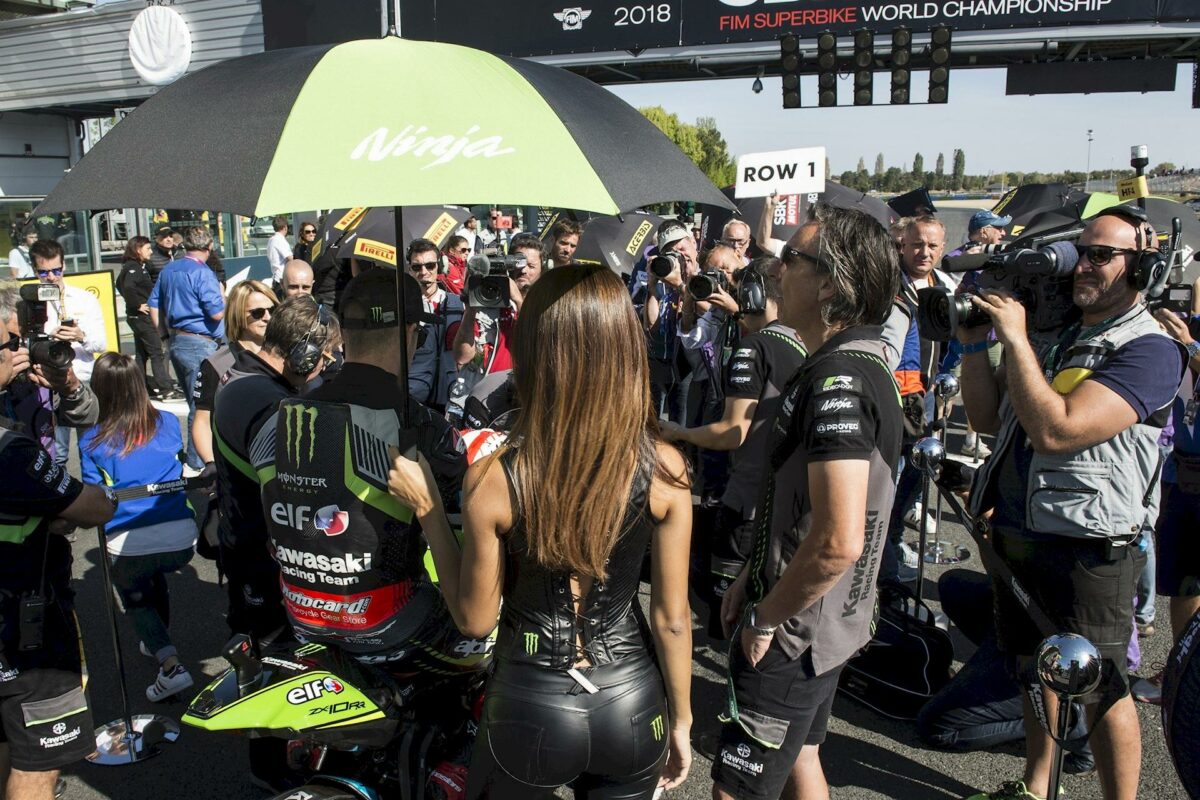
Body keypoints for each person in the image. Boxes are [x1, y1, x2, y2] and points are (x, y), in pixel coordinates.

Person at [387, 265, 694, 798]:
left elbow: (475, 619)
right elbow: (672, 619)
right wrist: (684, 721)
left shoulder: (495, 477)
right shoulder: (666, 470)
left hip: (529, 702)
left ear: (534, 351)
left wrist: (430, 510)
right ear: (625, 348)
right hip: (631, 698)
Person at [960, 207, 1186, 800]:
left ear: (1142, 269)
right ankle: (1037, 785)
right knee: (1038, 671)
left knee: (1102, 686)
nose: (1082, 265)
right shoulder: (1057, 336)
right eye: (1080, 252)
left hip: (1091, 547)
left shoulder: (1151, 349)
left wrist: (1015, 339)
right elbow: (987, 420)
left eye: (1100, 255)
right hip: (1020, 531)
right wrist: (971, 346)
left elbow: (1059, 430)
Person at [712, 204, 903, 800]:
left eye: (790, 258)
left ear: (829, 283)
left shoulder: (838, 377)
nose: (774, 270)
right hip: (827, 619)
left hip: (799, 628)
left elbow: (839, 538)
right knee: (804, 758)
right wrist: (751, 573)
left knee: (735, 790)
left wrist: (767, 614)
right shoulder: (854, 363)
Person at [257, 269, 489, 676]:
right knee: (485, 642)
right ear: (413, 334)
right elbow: (468, 532)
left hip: (301, 618)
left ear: (342, 332)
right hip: (391, 624)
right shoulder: (417, 428)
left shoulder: (278, 418)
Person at [0, 320, 115, 800]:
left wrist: (65, 382)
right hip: (23, 603)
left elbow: (90, 414)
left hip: (38, 540)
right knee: (39, 760)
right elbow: (93, 506)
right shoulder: (9, 447)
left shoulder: (33, 387)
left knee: (8, 737)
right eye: (11, 342)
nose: (22, 350)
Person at [660, 257, 806, 635]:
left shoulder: (754, 348)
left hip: (747, 502)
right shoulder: (802, 343)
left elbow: (731, 432)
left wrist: (679, 433)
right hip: (788, 499)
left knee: (728, 611)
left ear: (756, 296)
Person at [211, 295, 335, 642]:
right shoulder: (270, 404)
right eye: (324, 358)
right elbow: (298, 495)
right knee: (272, 649)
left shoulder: (240, 374)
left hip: (240, 539)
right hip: (261, 555)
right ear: (304, 354)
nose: (326, 367)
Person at [80, 353, 198, 701]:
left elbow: (94, 494)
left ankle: (170, 665)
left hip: (128, 539)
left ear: (98, 389)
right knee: (153, 570)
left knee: (136, 598)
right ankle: (157, 640)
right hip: (180, 535)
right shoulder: (165, 421)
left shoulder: (91, 438)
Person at [149, 227, 225, 472]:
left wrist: (164, 335)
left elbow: (153, 305)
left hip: (178, 341)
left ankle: (197, 457)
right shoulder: (202, 273)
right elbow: (216, 312)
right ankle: (198, 460)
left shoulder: (170, 269)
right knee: (201, 405)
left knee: (196, 401)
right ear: (210, 246)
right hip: (200, 342)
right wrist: (224, 296)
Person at [30, 239, 107, 467]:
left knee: (90, 449)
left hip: (83, 378)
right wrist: (47, 339)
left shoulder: (85, 298)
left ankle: (94, 499)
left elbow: (101, 344)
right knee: (57, 453)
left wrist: (79, 336)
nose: (52, 277)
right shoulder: (31, 303)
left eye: (56, 270)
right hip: (49, 382)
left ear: (64, 267)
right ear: (35, 271)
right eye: (44, 273)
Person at [191, 280, 278, 468]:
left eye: (273, 310)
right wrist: (211, 463)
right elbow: (202, 421)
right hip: (237, 467)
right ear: (238, 315)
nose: (268, 317)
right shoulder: (215, 364)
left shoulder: (285, 355)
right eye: (257, 312)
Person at [643, 220, 700, 425]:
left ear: (693, 243)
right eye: (671, 252)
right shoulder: (663, 281)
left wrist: (680, 285)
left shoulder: (705, 277)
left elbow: (703, 310)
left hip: (690, 370)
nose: (679, 255)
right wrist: (652, 287)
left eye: (682, 248)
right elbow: (651, 326)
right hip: (662, 364)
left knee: (681, 427)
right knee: (653, 425)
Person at [118, 236, 179, 401]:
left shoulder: (137, 267)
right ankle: (166, 389)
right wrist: (137, 304)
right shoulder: (133, 268)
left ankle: (142, 388)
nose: (151, 251)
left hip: (136, 317)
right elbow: (127, 286)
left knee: (141, 354)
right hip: (141, 317)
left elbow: (119, 284)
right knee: (156, 352)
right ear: (138, 250)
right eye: (147, 248)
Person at [408, 239, 464, 412]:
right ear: (409, 269)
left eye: (430, 265)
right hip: (415, 397)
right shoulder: (404, 308)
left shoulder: (459, 304)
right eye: (417, 267)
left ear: (440, 266)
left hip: (452, 395)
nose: (424, 272)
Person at [266, 216, 292, 291]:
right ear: (285, 227)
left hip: (276, 277)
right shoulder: (279, 239)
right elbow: (290, 258)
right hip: (281, 278)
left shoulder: (271, 240)